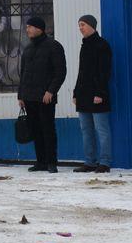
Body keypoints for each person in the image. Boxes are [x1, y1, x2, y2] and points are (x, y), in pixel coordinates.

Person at [18, 16, 67, 173]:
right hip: (29, 96)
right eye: (27, 27)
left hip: (46, 97)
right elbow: (23, 73)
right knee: (35, 130)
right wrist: (21, 95)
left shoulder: (53, 46)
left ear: (39, 28)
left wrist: (51, 91)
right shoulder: (28, 49)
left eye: (30, 27)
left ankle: (52, 162)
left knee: (48, 129)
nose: (27, 30)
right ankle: (41, 162)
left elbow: (60, 72)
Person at [72, 15, 113, 174]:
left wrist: (100, 93)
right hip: (83, 95)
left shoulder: (102, 45)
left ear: (92, 26)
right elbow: (81, 72)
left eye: (83, 24)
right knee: (86, 130)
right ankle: (90, 162)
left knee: (101, 129)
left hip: (97, 96)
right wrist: (76, 92)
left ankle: (105, 162)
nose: (80, 28)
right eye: (79, 25)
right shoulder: (84, 46)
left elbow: (104, 72)